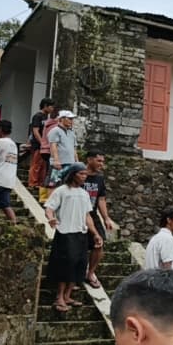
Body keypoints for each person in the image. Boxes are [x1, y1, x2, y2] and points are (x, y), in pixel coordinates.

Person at [44, 164, 102, 312]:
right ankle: (59, 297)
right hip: (65, 232)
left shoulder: (84, 194)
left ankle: (68, 295)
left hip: (80, 233)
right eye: (81, 174)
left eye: (85, 174)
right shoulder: (61, 191)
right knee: (66, 264)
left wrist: (95, 233)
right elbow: (49, 208)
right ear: (73, 174)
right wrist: (51, 218)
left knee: (79, 264)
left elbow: (87, 216)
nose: (84, 177)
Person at [83, 151, 115, 289]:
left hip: (92, 214)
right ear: (89, 160)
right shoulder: (79, 174)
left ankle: (91, 272)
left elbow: (101, 199)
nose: (102, 164)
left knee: (99, 243)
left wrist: (106, 218)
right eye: (99, 161)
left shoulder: (99, 179)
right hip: (77, 214)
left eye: (103, 161)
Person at [47, 110, 79, 194]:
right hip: (60, 162)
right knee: (53, 183)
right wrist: (56, 160)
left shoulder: (71, 132)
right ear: (61, 119)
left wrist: (76, 161)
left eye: (72, 119)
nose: (71, 121)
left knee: (67, 184)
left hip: (70, 162)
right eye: (69, 119)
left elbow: (74, 148)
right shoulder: (55, 130)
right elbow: (53, 146)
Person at [27, 97, 54, 194]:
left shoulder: (47, 118)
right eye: (51, 106)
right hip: (38, 145)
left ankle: (39, 183)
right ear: (45, 106)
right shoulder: (37, 116)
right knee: (36, 164)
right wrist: (42, 142)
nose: (52, 109)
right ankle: (32, 183)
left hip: (45, 146)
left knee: (43, 165)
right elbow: (35, 130)